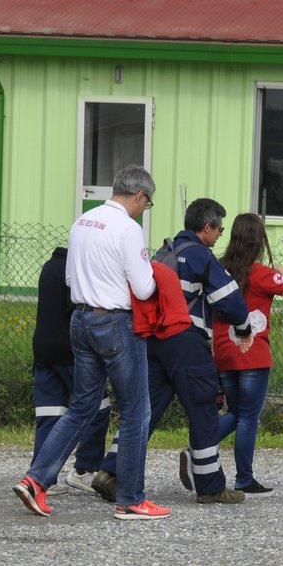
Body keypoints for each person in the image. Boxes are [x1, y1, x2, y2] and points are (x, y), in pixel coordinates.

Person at [13, 164, 166, 521]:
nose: (145, 210)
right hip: (115, 321)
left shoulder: (82, 222)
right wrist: (161, 281)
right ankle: (131, 498)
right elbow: (144, 287)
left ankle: (36, 479)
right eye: (148, 203)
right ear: (140, 196)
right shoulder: (128, 228)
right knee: (136, 411)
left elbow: (69, 276)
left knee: (81, 407)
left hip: (79, 319)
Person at [93, 196, 254, 505]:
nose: (221, 235)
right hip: (185, 340)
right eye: (219, 229)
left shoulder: (163, 252)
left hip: (152, 340)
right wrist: (244, 329)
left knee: (143, 411)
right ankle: (210, 486)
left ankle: (111, 472)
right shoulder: (200, 255)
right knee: (203, 407)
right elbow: (230, 299)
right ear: (207, 227)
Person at [214, 212, 283, 494]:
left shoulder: (218, 270)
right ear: (258, 241)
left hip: (224, 352)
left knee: (237, 411)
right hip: (254, 355)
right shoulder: (264, 274)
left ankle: (200, 444)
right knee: (248, 417)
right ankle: (243, 477)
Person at [31, 245, 110, 494]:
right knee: (99, 406)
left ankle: (41, 477)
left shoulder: (49, 265)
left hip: (43, 349)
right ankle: (84, 469)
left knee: (49, 414)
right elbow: (78, 310)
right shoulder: (75, 268)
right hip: (69, 350)